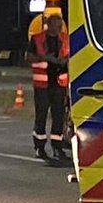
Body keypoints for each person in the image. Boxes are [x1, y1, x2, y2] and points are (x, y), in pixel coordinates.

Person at [28, 12, 70, 163]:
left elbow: (71, 55)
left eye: (59, 25)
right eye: (54, 25)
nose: (57, 28)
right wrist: (44, 58)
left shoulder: (65, 39)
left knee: (59, 116)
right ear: (48, 25)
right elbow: (29, 57)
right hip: (42, 85)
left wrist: (64, 60)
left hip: (59, 83)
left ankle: (57, 147)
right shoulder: (37, 38)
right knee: (41, 116)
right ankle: (39, 147)